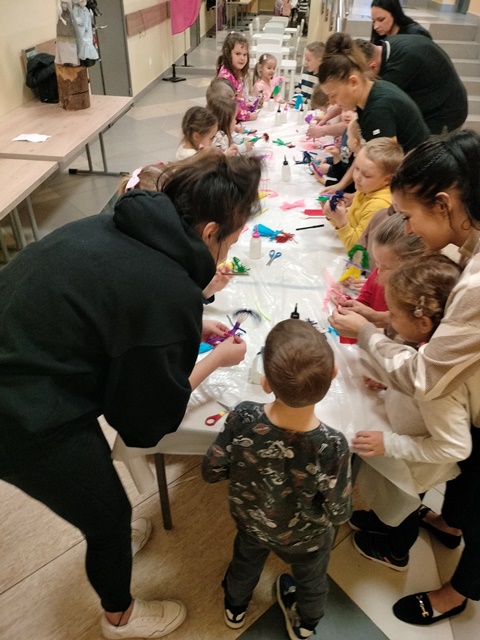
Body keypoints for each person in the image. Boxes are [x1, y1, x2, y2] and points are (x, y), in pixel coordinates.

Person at [0, 150, 261, 640]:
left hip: (23, 357)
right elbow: (145, 422)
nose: (226, 251)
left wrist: (184, 326)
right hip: (19, 416)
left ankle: (109, 531)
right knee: (109, 517)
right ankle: (118, 616)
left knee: (100, 497)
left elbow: (112, 306)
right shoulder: (167, 287)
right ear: (209, 232)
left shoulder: (115, 224)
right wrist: (213, 359)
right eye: (230, 241)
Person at [329, 129, 480, 626]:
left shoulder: (474, 285)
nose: (409, 229)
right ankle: (450, 524)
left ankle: (457, 592)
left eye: (409, 216)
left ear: (444, 204)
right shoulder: (465, 245)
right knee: (465, 492)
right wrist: (381, 323)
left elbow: (426, 376)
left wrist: (370, 335)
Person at [202, 319, 352, 640]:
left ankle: (235, 607)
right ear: (333, 374)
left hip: (252, 522)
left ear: (266, 383)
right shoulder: (333, 444)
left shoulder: (243, 415)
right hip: (307, 537)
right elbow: (340, 510)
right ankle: (307, 624)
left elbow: (211, 469)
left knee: (244, 562)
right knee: (311, 579)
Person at [350, 255, 472, 572]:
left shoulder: (438, 390)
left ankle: (396, 551)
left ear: (423, 323)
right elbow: (411, 381)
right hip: (406, 449)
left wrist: (389, 444)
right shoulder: (430, 351)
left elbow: (455, 447)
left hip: (417, 465)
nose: (388, 319)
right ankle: (383, 520)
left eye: (393, 314)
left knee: (404, 504)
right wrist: (390, 383)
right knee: (391, 498)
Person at [318, 33, 430, 154]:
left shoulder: (379, 109)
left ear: (353, 82)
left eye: (333, 95)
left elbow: (385, 162)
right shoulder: (369, 94)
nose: (332, 102)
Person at [357, 35, 468, 135]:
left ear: (373, 67)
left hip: (444, 115)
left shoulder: (399, 68)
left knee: (426, 150)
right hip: (438, 100)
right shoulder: (389, 45)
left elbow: (375, 102)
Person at [341, 212, 425, 330]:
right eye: (377, 262)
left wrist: (369, 325)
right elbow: (365, 299)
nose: (378, 272)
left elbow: (406, 331)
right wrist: (347, 304)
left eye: (386, 267)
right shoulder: (379, 272)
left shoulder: (420, 300)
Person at [322, 137, 403, 251]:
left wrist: (340, 221)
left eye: (366, 175)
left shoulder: (378, 206)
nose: (357, 177)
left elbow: (356, 249)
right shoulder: (366, 188)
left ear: (387, 180)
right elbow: (352, 223)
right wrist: (333, 215)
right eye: (356, 168)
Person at [311, 109, 358, 192]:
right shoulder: (347, 131)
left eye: (354, 111)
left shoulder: (356, 147)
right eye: (344, 110)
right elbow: (344, 158)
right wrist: (328, 159)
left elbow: (350, 185)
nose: (347, 114)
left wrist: (324, 180)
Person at [217, 32, 258, 122]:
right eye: (238, 54)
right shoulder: (226, 77)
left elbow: (237, 99)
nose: (242, 58)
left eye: (244, 54)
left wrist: (245, 106)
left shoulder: (237, 71)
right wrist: (247, 116)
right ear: (228, 54)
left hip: (235, 119)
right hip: (228, 121)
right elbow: (228, 106)